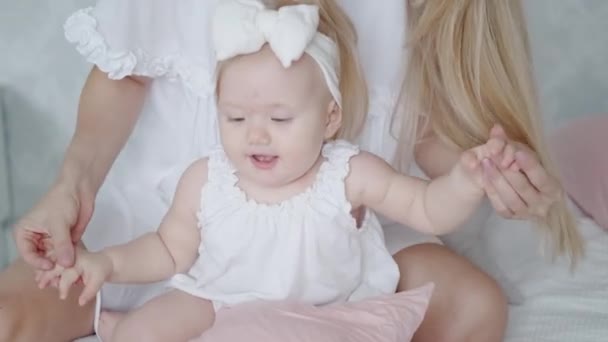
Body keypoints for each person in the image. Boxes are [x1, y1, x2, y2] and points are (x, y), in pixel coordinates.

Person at [0, 1, 582, 341]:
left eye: (278, 116)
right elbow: (122, 74)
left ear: (330, 118)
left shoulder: (348, 169)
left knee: (475, 306)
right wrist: (72, 187)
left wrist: (480, 173)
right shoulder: (204, 182)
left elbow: (424, 143)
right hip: (171, 227)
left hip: (337, 241)